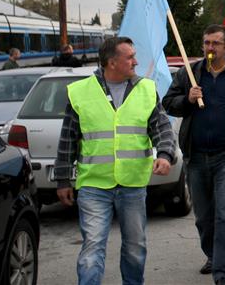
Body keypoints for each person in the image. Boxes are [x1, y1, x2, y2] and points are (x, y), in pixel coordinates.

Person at [54, 37, 175, 285]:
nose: (136, 61)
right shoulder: (81, 92)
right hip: (93, 185)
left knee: (134, 248)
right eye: (130, 57)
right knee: (92, 248)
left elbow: (162, 128)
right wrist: (63, 179)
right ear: (112, 62)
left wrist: (164, 154)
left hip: (132, 184)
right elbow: (68, 138)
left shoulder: (146, 89)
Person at [163, 24, 225, 285]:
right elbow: (168, 103)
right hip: (196, 157)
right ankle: (213, 254)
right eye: (207, 43)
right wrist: (187, 98)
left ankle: (223, 273)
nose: (210, 48)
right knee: (205, 218)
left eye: (215, 44)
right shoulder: (190, 74)